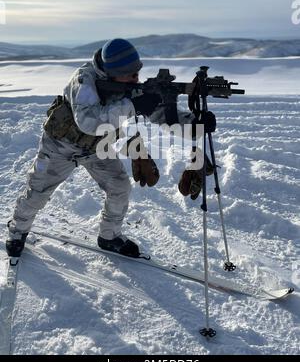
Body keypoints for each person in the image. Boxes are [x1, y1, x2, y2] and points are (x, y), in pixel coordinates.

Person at [6, 38, 216, 259]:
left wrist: (194, 124)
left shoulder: (125, 85)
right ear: (112, 73)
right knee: (37, 194)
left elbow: (160, 115)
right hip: (60, 147)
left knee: (119, 187)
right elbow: (88, 121)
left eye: (138, 73)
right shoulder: (83, 80)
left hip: (96, 148)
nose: (136, 79)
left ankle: (109, 236)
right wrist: (132, 105)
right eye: (131, 75)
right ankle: (17, 231)